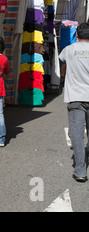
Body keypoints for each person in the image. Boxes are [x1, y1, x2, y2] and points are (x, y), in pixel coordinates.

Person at [59, 22, 89, 183]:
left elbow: (63, 69)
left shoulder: (68, 50)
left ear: (76, 35)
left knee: (77, 134)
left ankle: (80, 171)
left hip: (75, 97)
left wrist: (67, 76)